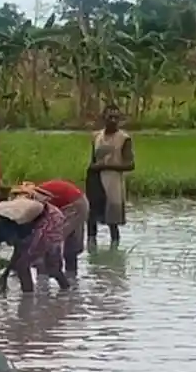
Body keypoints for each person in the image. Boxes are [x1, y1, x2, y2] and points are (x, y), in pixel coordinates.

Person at [0, 194, 70, 295]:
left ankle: (28, 302)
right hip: (45, 218)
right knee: (52, 268)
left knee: (22, 265)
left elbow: (19, 249)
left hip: (50, 219)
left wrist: (5, 276)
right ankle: (67, 292)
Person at [12, 179, 89, 277]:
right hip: (79, 201)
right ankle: (71, 278)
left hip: (74, 204)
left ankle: (47, 276)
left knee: (49, 239)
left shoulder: (34, 199)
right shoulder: (33, 195)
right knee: (70, 243)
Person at [85, 104, 134, 248]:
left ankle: (114, 252)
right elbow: (93, 161)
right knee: (91, 218)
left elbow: (130, 165)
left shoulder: (124, 139)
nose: (113, 120)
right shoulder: (96, 137)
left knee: (113, 221)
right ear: (103, 118)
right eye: (110, 117)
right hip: (96, 180)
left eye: (116, 118)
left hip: (113, 183)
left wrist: (105, 166)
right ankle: (92, 251)